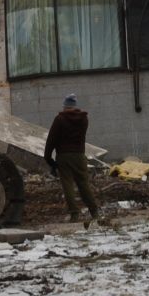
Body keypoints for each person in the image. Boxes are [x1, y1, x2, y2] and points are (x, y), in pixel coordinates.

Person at [44, 93, 101, 224]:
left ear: (65, 106)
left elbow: (51, 139)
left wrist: (48, 158)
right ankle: (94, 212)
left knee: (68, 184)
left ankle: (75, 214)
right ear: (75, 106)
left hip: (64, 156)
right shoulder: (84, 119)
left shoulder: (59, 119)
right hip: (80, 155)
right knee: (83, 183)